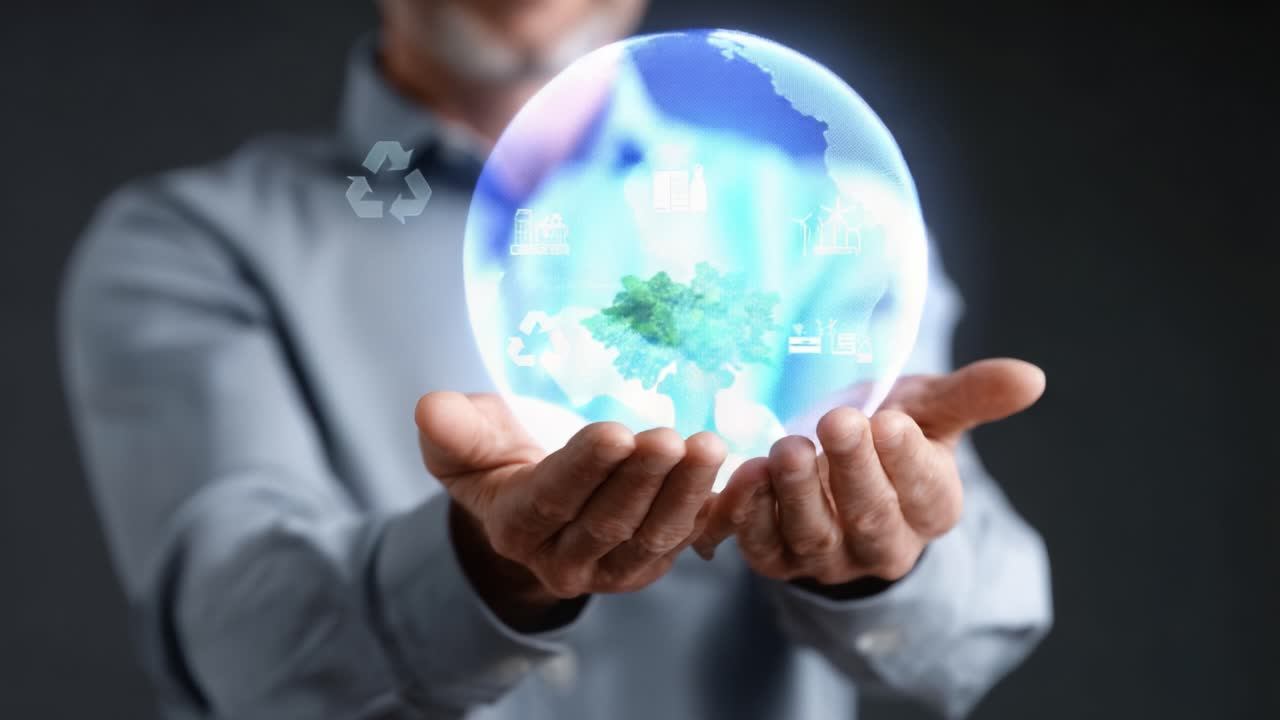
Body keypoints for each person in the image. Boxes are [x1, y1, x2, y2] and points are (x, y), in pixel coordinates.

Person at [60, 1, 1052, 718]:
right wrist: (479, 574)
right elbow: (243, 655)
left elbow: (965, 640)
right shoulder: (194, 242)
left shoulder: (830, 218)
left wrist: (876, 563)